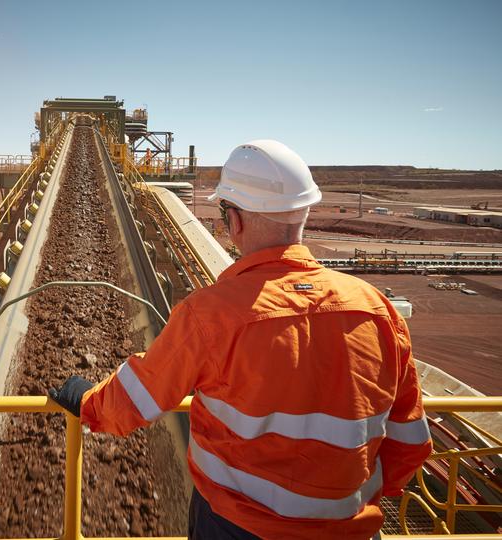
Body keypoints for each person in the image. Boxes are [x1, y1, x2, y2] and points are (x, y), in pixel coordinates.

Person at [49, 140, 432, 539]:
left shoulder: (212, 313)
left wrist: (87, 402)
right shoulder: (377, 310)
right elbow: (411, 442)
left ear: (235, 220)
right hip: (351, 530)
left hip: (236, 527)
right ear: (301, 214)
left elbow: (139, 396)